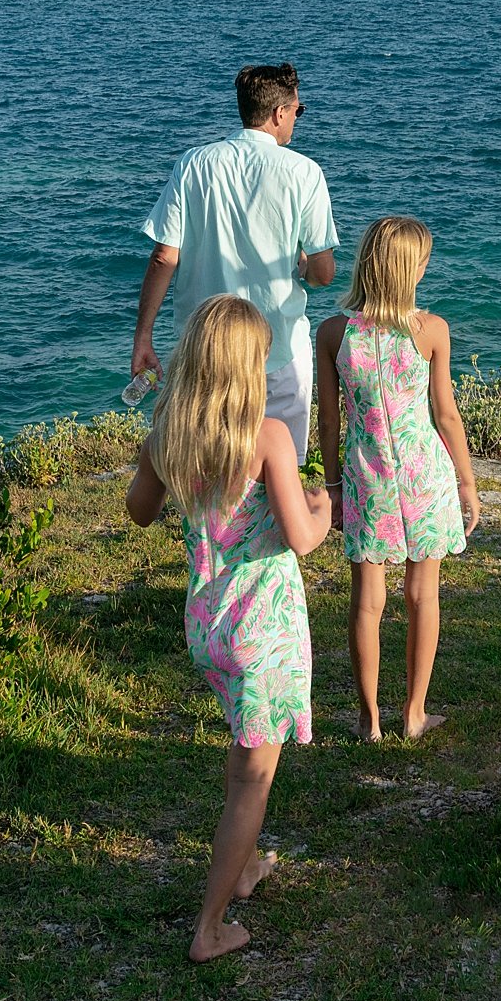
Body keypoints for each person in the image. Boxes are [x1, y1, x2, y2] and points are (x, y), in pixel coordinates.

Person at [125, 295, 334, 963]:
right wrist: (322, 506)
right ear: (249, 367)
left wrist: (148, 456)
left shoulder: (169, 435)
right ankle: (209, 925)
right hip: (261, 631)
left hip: (206, 625)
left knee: (244, 754)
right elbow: (300, 539)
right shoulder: (268, 437)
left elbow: (138, 511)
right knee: (254, 777)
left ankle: (241, 868)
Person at [313, 216, 482, 742]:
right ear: (411, 269)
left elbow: (328, 420)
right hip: (425, 474)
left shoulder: (334, 333)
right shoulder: (430, 330)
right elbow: (446, 414)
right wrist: (467, 482)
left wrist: (335, 485)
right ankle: (413, 713)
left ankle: (368, 720)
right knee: (422, 595)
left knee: (367, 600)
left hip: (368, 476)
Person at [135, 62, 338, 458]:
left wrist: (143, 336)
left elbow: (163, 257)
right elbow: (324, 272)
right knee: (278, 470)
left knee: (204, 465)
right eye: (299, 110)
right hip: (278, 346)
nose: (297, 118)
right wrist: (302, 268)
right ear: (280, 113)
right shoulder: (304, 172)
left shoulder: (193, 164)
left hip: (205, 346)